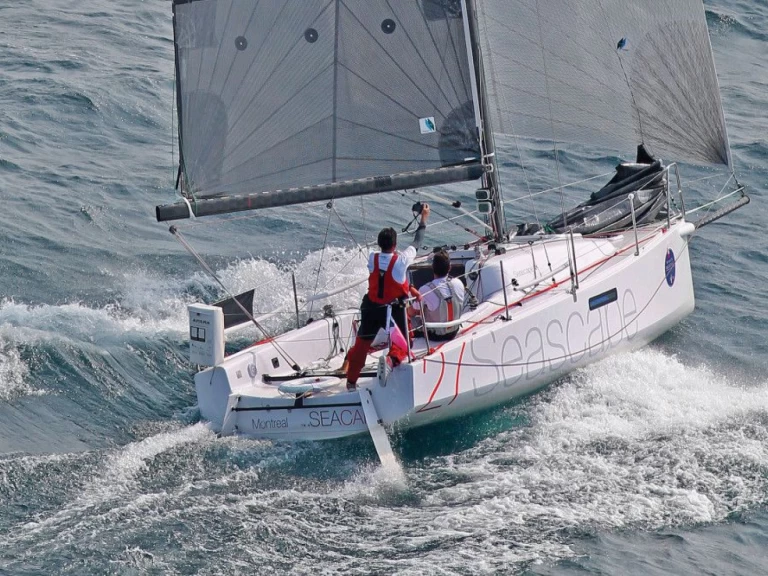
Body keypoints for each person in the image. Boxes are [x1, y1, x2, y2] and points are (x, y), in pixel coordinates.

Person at [344, 204, 430, 390]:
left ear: (380, 244)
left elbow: (387, 276)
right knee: (405, 342)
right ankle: (390, 361)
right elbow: (417, 241)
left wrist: (409, 286)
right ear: (395, 245)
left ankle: (351, 382)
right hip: (392, 310)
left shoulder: (372, 258)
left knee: (362, 345)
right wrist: (423, 218)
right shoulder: (400, 261)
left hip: (370, 307)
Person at [411, 249, 465, 341]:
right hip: (454, 331)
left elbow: (413, 312)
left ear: (432, 267)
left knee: (407, 317)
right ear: (449, 268)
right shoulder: (459, 283)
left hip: (435, 335)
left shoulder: (425, 289)